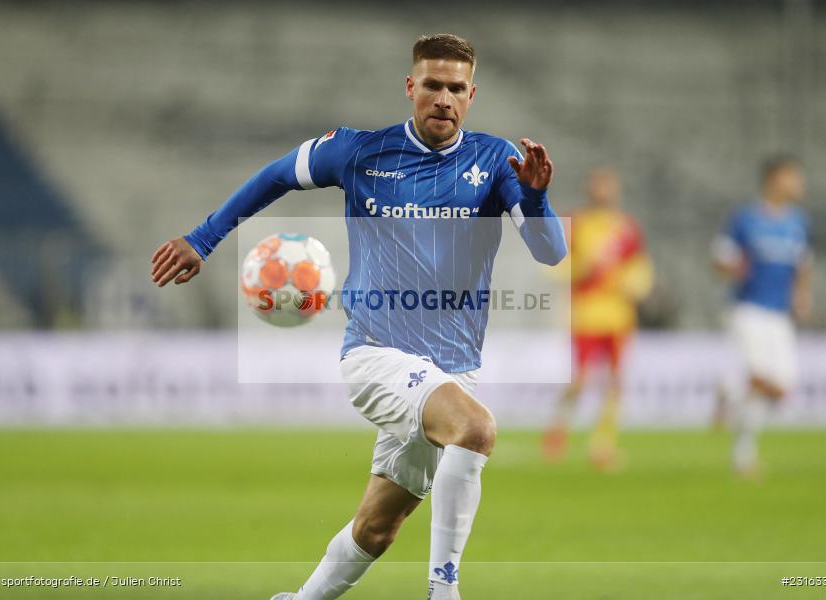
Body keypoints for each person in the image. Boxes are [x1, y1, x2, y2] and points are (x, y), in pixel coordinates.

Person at [150, 34, 567, 600]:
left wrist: (539, 198)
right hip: (376, 355)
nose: (443, 98)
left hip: (452, 369)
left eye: (456, 89)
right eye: (432, 85)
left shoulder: (495, 161)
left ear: (472, 95)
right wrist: (203, 239)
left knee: (377, 527)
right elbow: (275, 175)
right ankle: (444, 591)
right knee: (476, 429)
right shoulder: (359, 151)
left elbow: (549, 252)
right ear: (410, 87)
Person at [542, 167, 653, 470]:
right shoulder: (575, 224)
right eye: (599, 186)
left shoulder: (627, 228)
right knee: (580, 381)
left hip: (618, 317)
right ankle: (558, 427)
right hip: (586, 315)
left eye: (609, 186)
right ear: (590, 189)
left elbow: (640, 268)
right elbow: (554, 264)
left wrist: (635, 286)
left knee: (615, 382)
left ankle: (602, 445)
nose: (604, 192)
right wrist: (581, 269)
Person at [712, 155, 812, 477]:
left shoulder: (798, 222)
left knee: (781, 388)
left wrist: (801, 295)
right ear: (773, 179)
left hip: (778, 313)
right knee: (759, 376)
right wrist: (731, 267)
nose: (798, 184)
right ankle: (743, 451)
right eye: (792, 177)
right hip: (748, 309)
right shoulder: (747, 220)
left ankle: (730, 396)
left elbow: (802, 264)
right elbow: (720, 258)